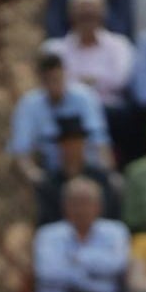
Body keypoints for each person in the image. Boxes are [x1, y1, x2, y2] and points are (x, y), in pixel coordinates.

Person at [33, 175, 129, 292]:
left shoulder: (115, 231)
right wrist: (93, 271)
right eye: (75, 202)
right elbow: (47, 272)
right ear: (65, 206)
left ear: (99, 206)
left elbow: (116, 264)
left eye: (86, 202)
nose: (81, 208)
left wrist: (75, 259)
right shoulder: (48, 234)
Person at [9, 47, 112, 187]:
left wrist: (106, 174)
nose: (53, 85)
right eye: (48, 80)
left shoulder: (84, 97)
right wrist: (35, 176)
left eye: (56, 79)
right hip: (51, 172)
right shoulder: (29, 105)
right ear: (40, 79)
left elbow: (100, 141)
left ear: (64, 75)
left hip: (87, 168)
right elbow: (21, 150)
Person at [43, 0, 136, 113]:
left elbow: (119, 80)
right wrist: (93, 81)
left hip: (109, 110)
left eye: (92, 11)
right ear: (70, 14)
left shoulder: (120, 45)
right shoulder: (54, 48)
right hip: (65, 109)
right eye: (82, 12)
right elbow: (53, 82)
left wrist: (75, 82)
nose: (87, 15)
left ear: (103, 14)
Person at [35, 114, 121, 226]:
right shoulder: (49, 183)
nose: (72, 148)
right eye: (67, 144)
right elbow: (47, 219)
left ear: (83, 144)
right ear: (60, 147)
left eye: (76, 142)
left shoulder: (101, 178)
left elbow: (110, 213)